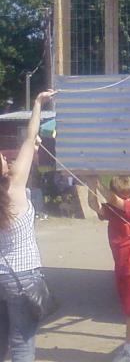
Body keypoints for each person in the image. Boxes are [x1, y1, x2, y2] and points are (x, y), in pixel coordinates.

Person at [0, 90, 55, 362]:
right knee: (23, 344)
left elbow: (30, 142)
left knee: (2, 341)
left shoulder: (13, 184)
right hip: (22, 276)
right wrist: (37, 103)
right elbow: (30, 136)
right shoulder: (14, 186)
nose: (5, 157)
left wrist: (31, 147)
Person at [88, 176, 130, 362]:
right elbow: (94, 205)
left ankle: (129, 352)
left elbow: (112, 199)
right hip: (125, 266)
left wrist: (98, 183)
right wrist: (91, 186)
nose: (128, 198)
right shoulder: (112, 209)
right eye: (124, 196)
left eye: (129, 195)